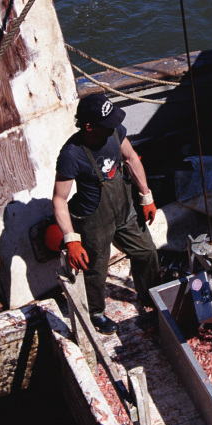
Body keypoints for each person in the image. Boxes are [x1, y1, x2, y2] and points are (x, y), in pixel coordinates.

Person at [52, 93, 160, 333]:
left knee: (146, 251)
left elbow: (131, 158)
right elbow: (59, 200)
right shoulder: (72, 154)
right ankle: (97, 312)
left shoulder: (114, 131)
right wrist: (72, 240)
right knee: (96, 268)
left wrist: (146, 196)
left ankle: (150, 293)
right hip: (93, 219)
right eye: (108, 123)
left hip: (124, 208)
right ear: (89, 126)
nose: (115, 127)